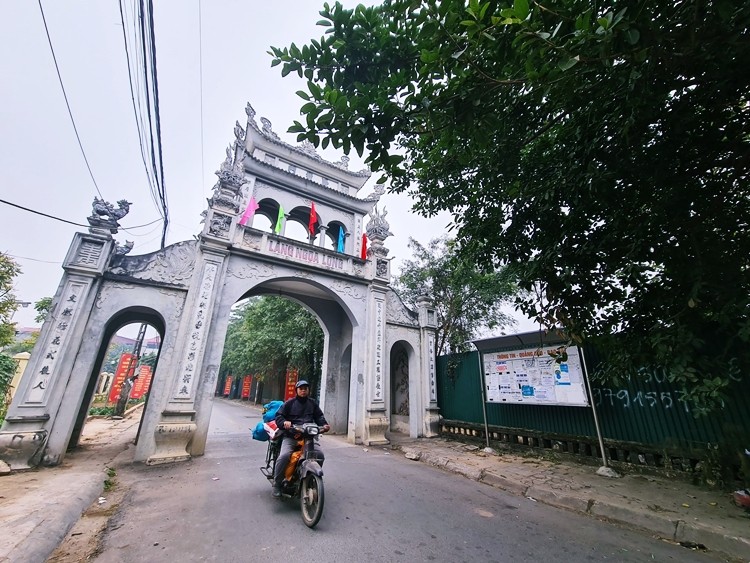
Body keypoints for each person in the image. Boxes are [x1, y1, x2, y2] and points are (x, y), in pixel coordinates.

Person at [272, 380, 330, 498]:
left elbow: (319, 416)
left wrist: (324, 425)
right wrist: (285, 422)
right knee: (284, 456)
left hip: (308, 438)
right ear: (297, 390)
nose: (303, 390)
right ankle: (277, 484)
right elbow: (279, 416)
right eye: (301, 388)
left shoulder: (312, 403)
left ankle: (310, 477)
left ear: (308, 390)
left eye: (305, 388)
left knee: (320, 455)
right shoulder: (289, 403)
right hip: (291, 436)